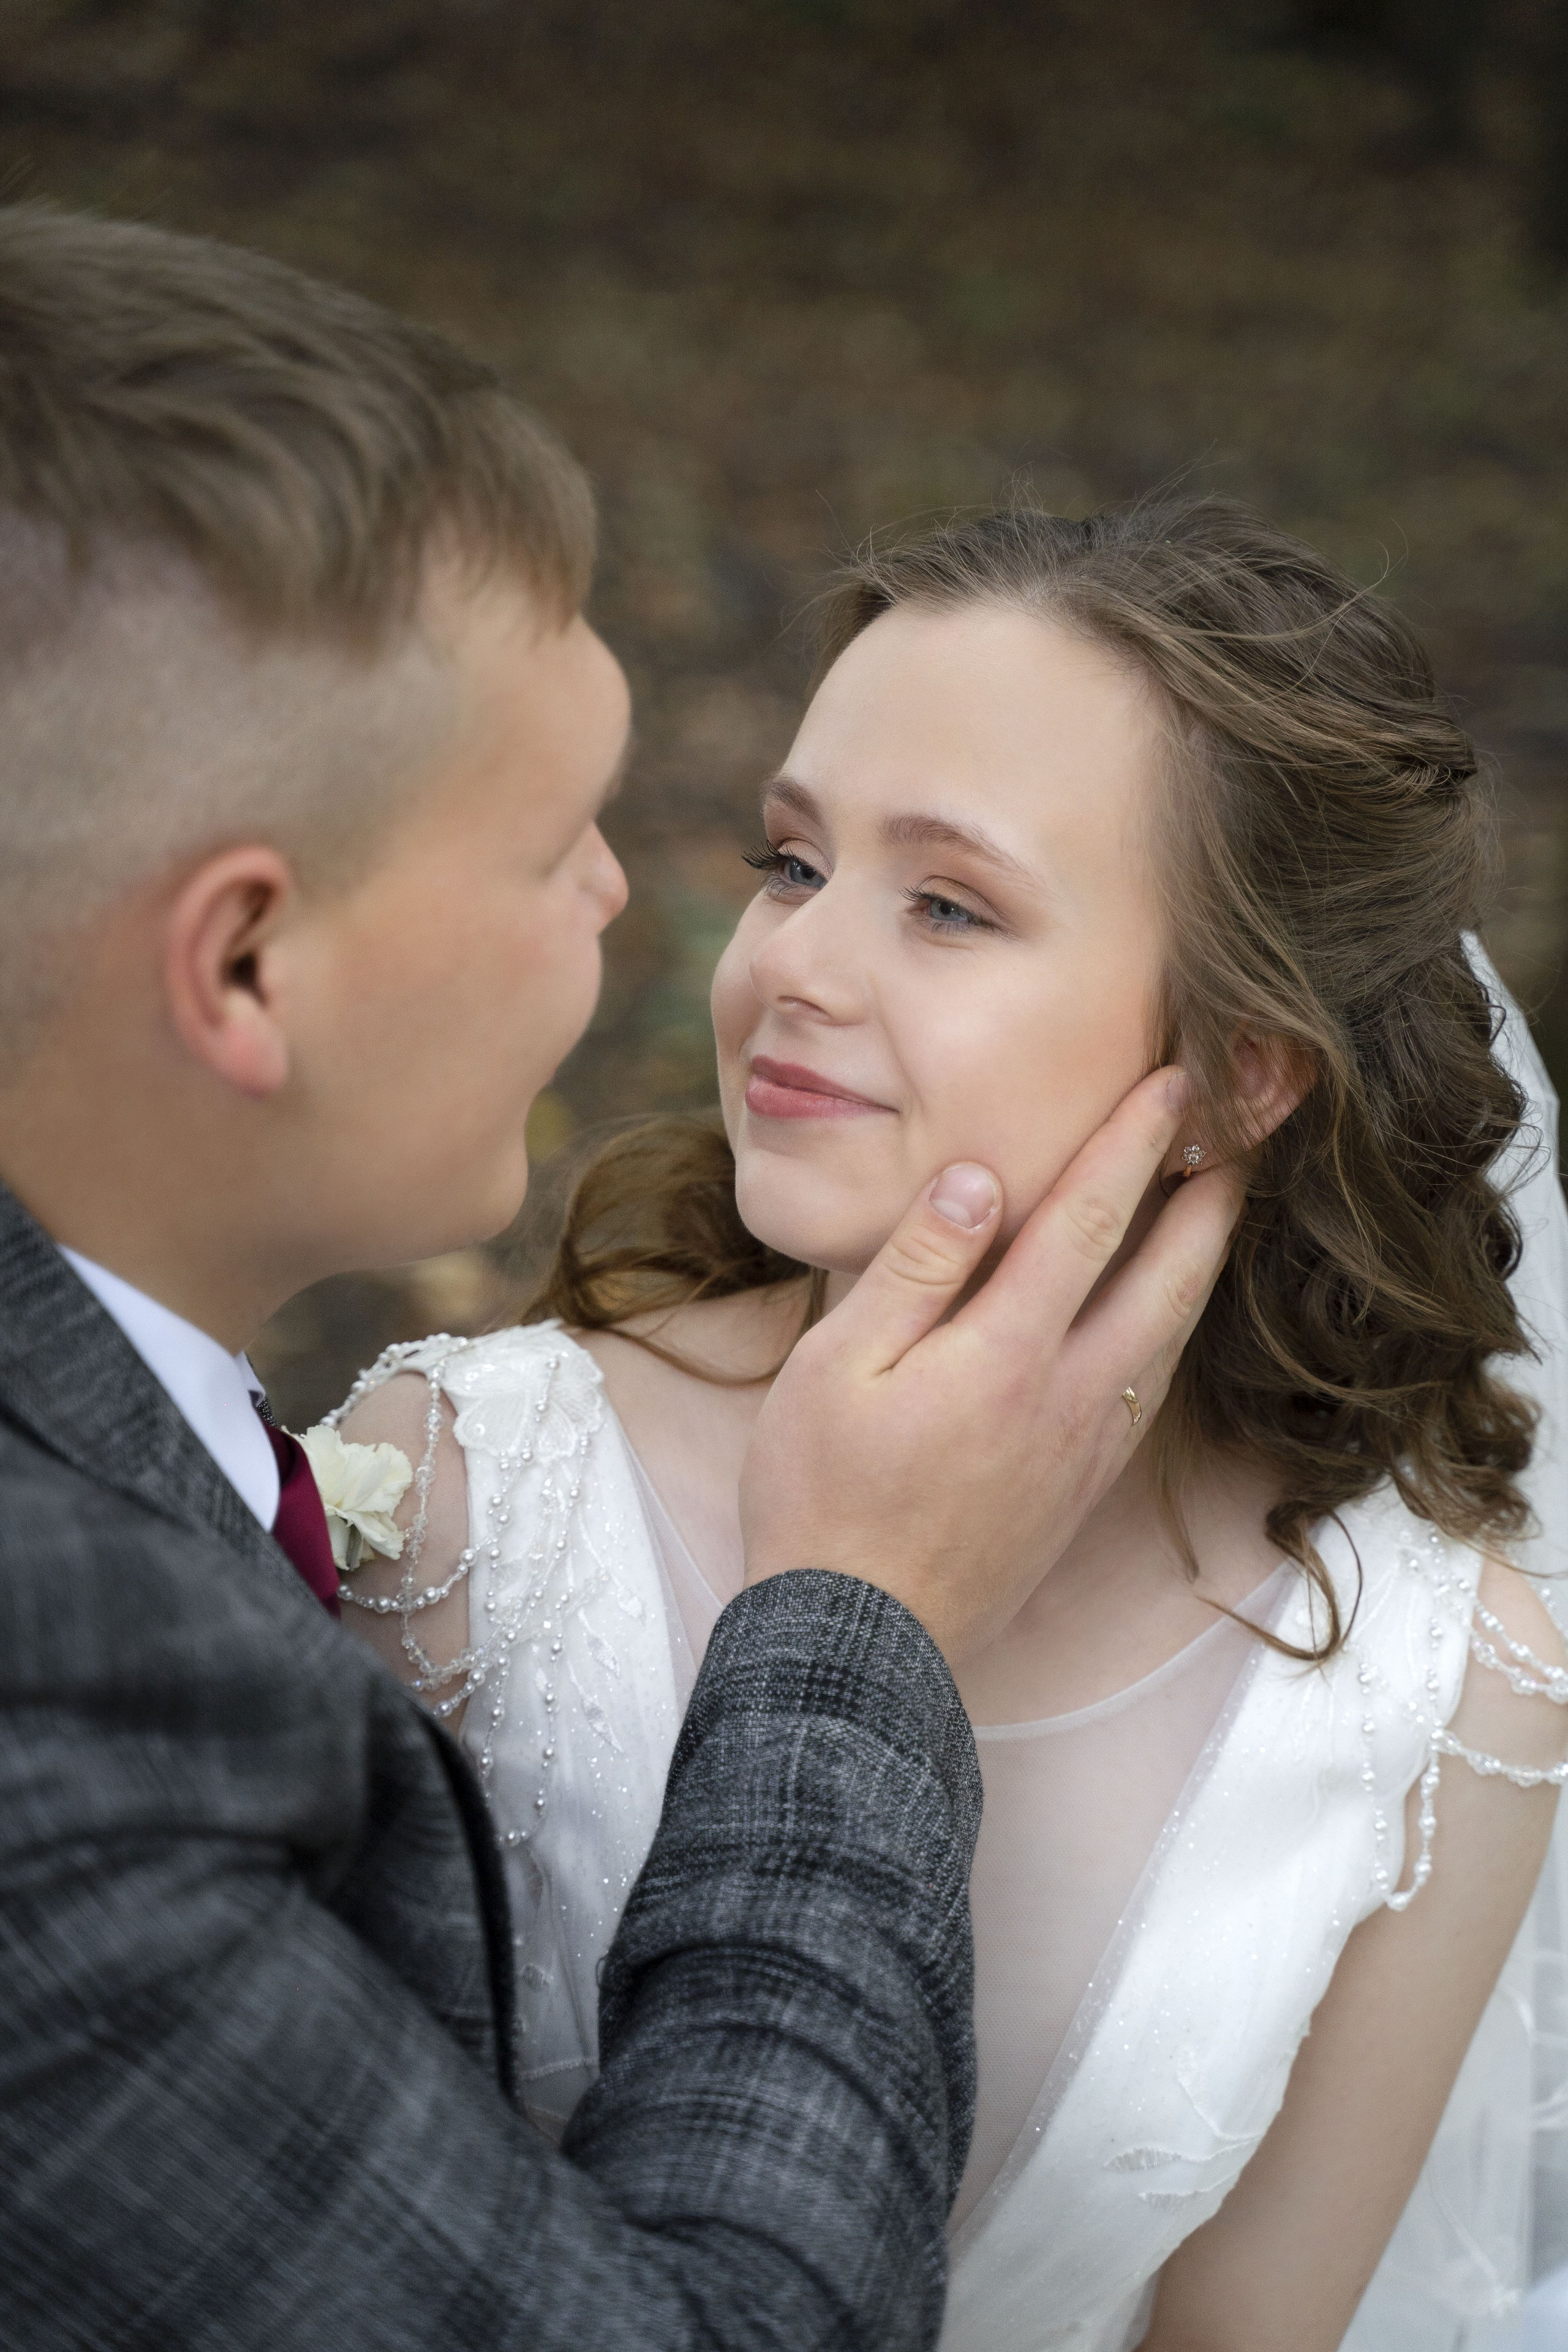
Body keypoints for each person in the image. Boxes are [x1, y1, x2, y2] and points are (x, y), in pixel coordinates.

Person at [0, 208, 1244, 2352]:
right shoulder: (60, 1707)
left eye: (945, 900)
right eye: (550, 840)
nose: (656, 914)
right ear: (242, 964)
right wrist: (861, 1617)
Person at [337, 497, 1568, 2351]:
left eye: (947, 904)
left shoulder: (1445, 1696)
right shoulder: (463, 1493)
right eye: (790, 863)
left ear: (1240, 1069)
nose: (791, 973)